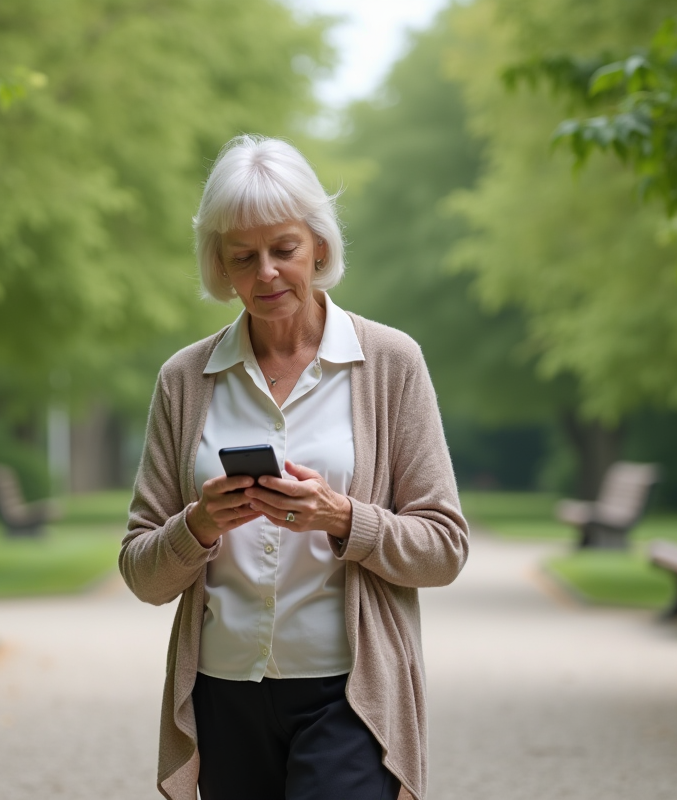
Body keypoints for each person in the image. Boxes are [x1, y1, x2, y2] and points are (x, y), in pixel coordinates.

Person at [120, 134, 469, 800]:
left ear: (319, 245)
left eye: (284, 249)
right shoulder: (184, 380)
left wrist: (345, 520)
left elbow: (445, 549)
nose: (267, 274)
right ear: (218, 264)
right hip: (223, 695)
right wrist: (198, 525)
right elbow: (141, 571)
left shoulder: (391, 364)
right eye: (242, 257)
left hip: (349, 695)